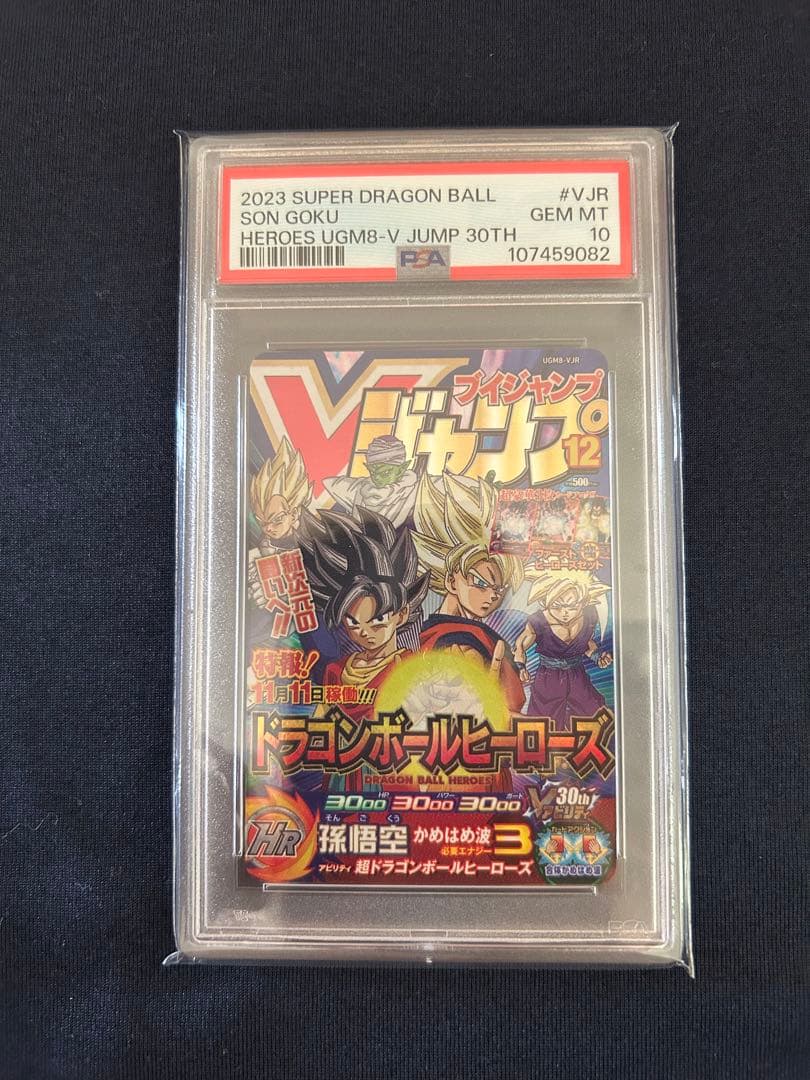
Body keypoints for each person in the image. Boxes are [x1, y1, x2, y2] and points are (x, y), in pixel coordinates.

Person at [410, 472, 525, 711]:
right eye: (480, 583)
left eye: (499, 590)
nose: (492, 596)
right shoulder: (457, 642)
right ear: (452, 581)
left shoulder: (473, 634)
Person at [513, 569, 612, 726]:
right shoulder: (539, 622)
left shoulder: (588, 617)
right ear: (546, 601)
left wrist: (597, 656)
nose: (565, 613)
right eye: (557, 606)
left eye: (572, 607)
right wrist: (520, 667)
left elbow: (586, 643)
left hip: (577, 674)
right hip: (549, 677)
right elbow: (519, 646)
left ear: (582, 602)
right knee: (544, 721)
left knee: (594, 713)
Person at [323, 434, 418, 529]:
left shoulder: (415, 493)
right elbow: (330, 483)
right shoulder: (361, 488)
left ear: (402, 469)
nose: (376, 477)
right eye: (372, 471)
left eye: (385, 472)